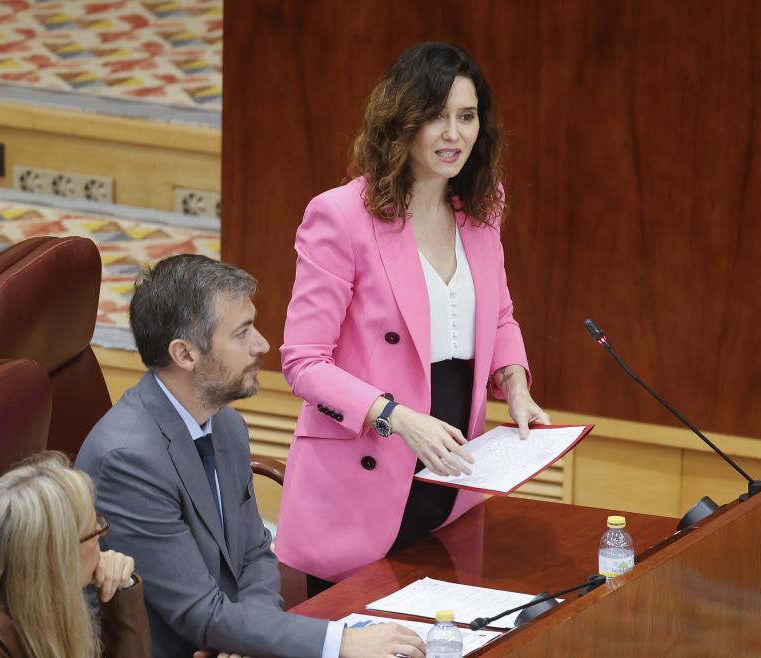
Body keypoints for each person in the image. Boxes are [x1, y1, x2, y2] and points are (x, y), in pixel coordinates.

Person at [276, 41, 549, 593]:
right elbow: (302, 363)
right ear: (401, 122)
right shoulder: (340, 216)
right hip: (368, 464)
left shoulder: (481, 205)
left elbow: (499, 315)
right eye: (435, 116)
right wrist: (396, 417)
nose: (454, 134)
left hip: (452, 467)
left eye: (467, 117)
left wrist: (515, 384)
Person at [75, 255, 424, 658]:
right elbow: (195, 613)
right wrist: (339, 643)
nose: (263, 344)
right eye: (242, 334)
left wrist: (250, 637)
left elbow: (255, 552)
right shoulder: (129, 461)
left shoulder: (225, 424)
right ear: (185, 354)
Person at [0, 452, 150, 658]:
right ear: (60, 554)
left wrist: (121, 590)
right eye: (96, 531)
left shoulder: (37, 614)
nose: (102, 543)